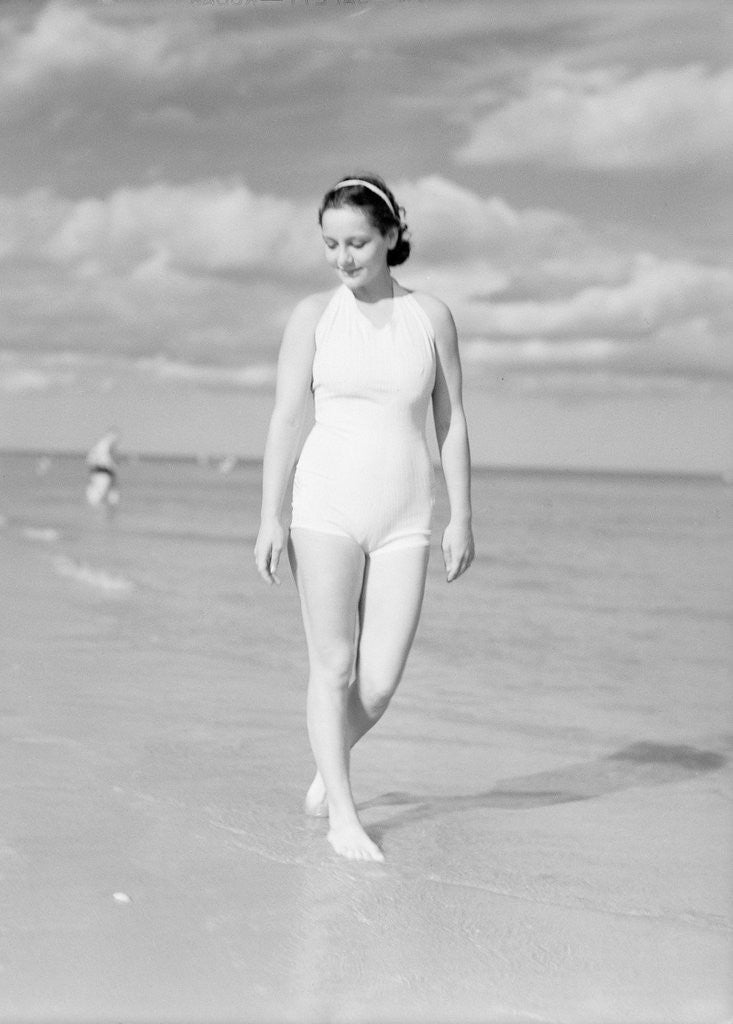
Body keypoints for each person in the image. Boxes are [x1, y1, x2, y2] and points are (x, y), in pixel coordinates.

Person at [254, 174, 474, 862]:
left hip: (406, 513)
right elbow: (287, 417)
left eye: (356, 242)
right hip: (323, 505)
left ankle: (331, 757)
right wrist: (270, 515)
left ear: (390, 236)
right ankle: (343, 819)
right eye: (330, 244)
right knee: (335, 667)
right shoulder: (312, 316)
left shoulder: (430, 317)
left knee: (378, 683)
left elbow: (452, 419)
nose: (343, 257)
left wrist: (461, 515)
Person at [85, 428, 120, 508]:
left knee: (111, 495)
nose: (116, 439)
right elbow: (105, 459)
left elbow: (90, 459)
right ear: (110, 435)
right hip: (102, 472)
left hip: (103, 473)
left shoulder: (103, 445)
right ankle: (98, 513)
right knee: (99, 493)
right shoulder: (104, 445)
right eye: (115, 437)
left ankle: (107, 514)